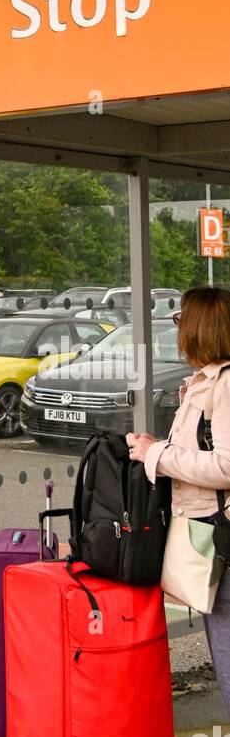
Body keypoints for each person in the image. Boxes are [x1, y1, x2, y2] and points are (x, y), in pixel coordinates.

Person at [127, 286, 230, 711]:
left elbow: (225, 465)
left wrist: (156, 455)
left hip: (221, 545)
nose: (177, 329)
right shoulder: (206, 381)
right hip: (211, 540)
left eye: (179, 320)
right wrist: (157, 447)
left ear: (200, 328)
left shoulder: (225, 385)